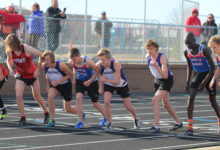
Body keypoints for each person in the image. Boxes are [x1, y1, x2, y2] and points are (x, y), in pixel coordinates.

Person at [4, 34, 49, 125]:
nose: (12, 48)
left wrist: (37, 69)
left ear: (16, 43)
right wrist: (10, 69)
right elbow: (8, 60)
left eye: (13, 46)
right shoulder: (9, 51)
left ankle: (46, 113)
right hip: (21, 75)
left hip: (32, 75)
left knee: (37, 97)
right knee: (18, 96)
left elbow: (42, 55)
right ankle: (22, 117)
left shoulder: (26, 48)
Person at [184, 32, 220, 136]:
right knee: (191, 98)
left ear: (194, 41)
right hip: (198, 74)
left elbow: (213, 67)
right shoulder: (187, 51)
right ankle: (190, 128)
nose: (188, 46)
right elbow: (189, 67)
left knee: (212, 101)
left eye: (189, 43)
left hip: (208, 74)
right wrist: (187, 82)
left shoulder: (203, 49)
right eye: (186, 44)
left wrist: (207, 82)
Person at [96, 48, 141, 130]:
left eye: (103, 59)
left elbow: (116, 81)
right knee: (106, 102)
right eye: (100, 59)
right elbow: (100, 76)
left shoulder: (116, 64)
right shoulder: (99, 65)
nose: (101, 61)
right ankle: (109, 123)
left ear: (109, 58)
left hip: (121, 84)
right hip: (109, 84)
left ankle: (136, 118)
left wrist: (104, 80)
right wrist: (100, 86)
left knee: (128, 106)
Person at [145, 40, 183, 133]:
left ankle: (156, 126)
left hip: (166, 80)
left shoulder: (162, 57)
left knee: (155, 100)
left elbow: (165, 75)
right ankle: (178, 122)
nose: (149, 51)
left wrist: (157, 67)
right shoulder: (148, 57)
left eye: (151, 49)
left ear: (156, 49)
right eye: (147, 49)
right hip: (157, 80)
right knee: (165, 104)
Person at [68, 48, 107, 129]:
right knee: (78, 98)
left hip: (92, 82)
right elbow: (75, 68)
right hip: (80, 81)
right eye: (71, 59)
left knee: (95, 103)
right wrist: (74, 78)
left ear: (78, 56)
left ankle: (105, 116)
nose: (73, 61)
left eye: (74, 59)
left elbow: (97, 71)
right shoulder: (73, 61)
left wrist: (90, 81)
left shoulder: (87, 61)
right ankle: (80, 121)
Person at [40, 50, 78, 127]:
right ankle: (52, 119)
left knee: (67, 109)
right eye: (44, 60)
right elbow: (47, 75)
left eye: (47, 60)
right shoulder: (44, 66)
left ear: (52, 59)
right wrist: (48, 85)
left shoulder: (61, 65)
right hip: (55, 84)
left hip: (65, 84)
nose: (46, 62)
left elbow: (70, 75)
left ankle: (80, 112)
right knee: (50, 96)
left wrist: (58, 81)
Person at [208, 35, 220, 134]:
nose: (212, 49)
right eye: (211, 47)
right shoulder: (217, 56)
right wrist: (213, 79)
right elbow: (219, 68)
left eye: (215, 47)